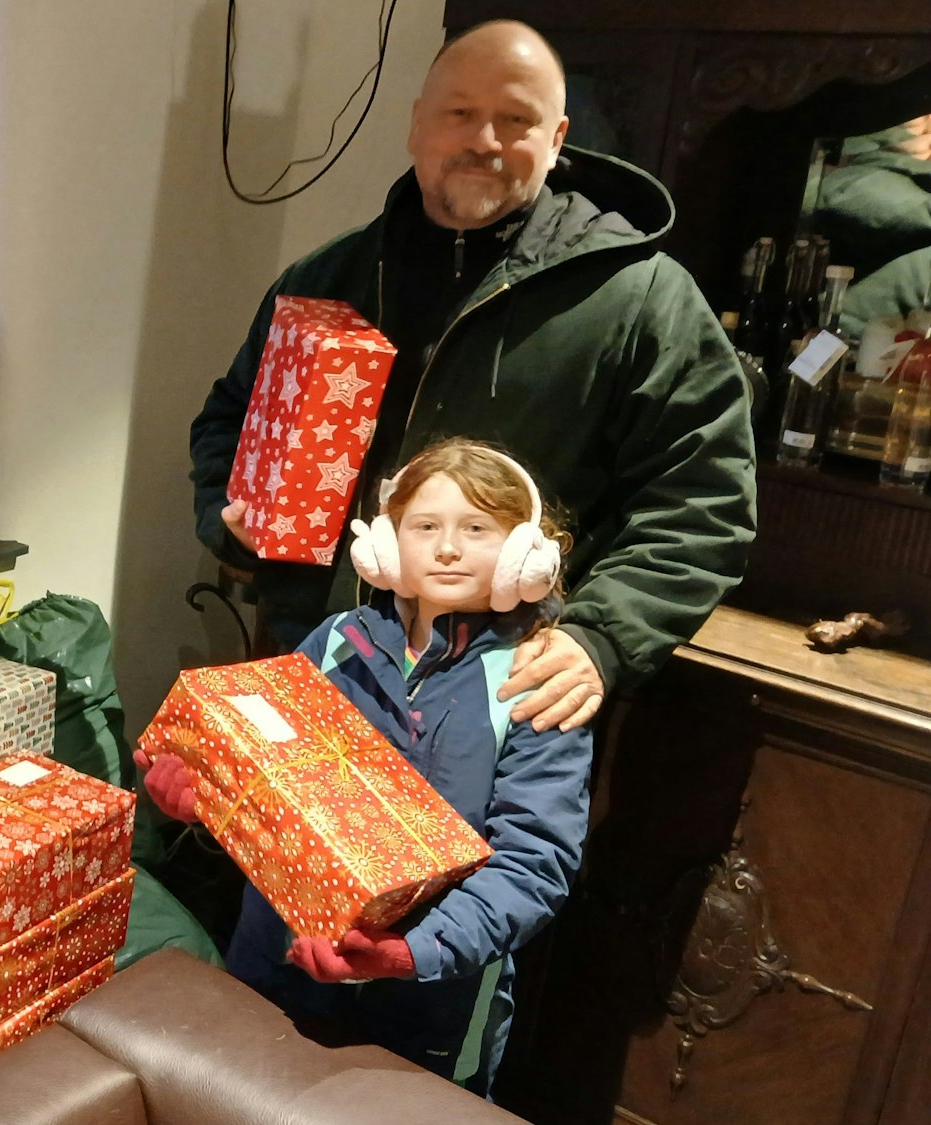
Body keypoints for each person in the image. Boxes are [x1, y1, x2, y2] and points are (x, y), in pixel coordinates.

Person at [188, 20, 757, 735]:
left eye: (515, 119)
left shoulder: (642, 299)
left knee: (489, 857)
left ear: (556, 139)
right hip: (320, 663)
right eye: (459, 113)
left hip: (509, 698)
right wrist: (235, 520)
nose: (484, 139)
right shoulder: (327, 280)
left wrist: (601, 637)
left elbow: (702, 504)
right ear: (417, 124)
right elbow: (228, 421)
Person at [140, 438, 594, 1097]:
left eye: (476, 529)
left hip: (429, 1006)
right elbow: (271, 799)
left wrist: (407, 954)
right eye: (426, 527)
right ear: (385, 542)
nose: (447, 548)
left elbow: (532, 865)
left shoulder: (534, 680)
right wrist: (206, 803)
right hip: (272, 964)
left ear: (527, 555)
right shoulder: (332, 644)